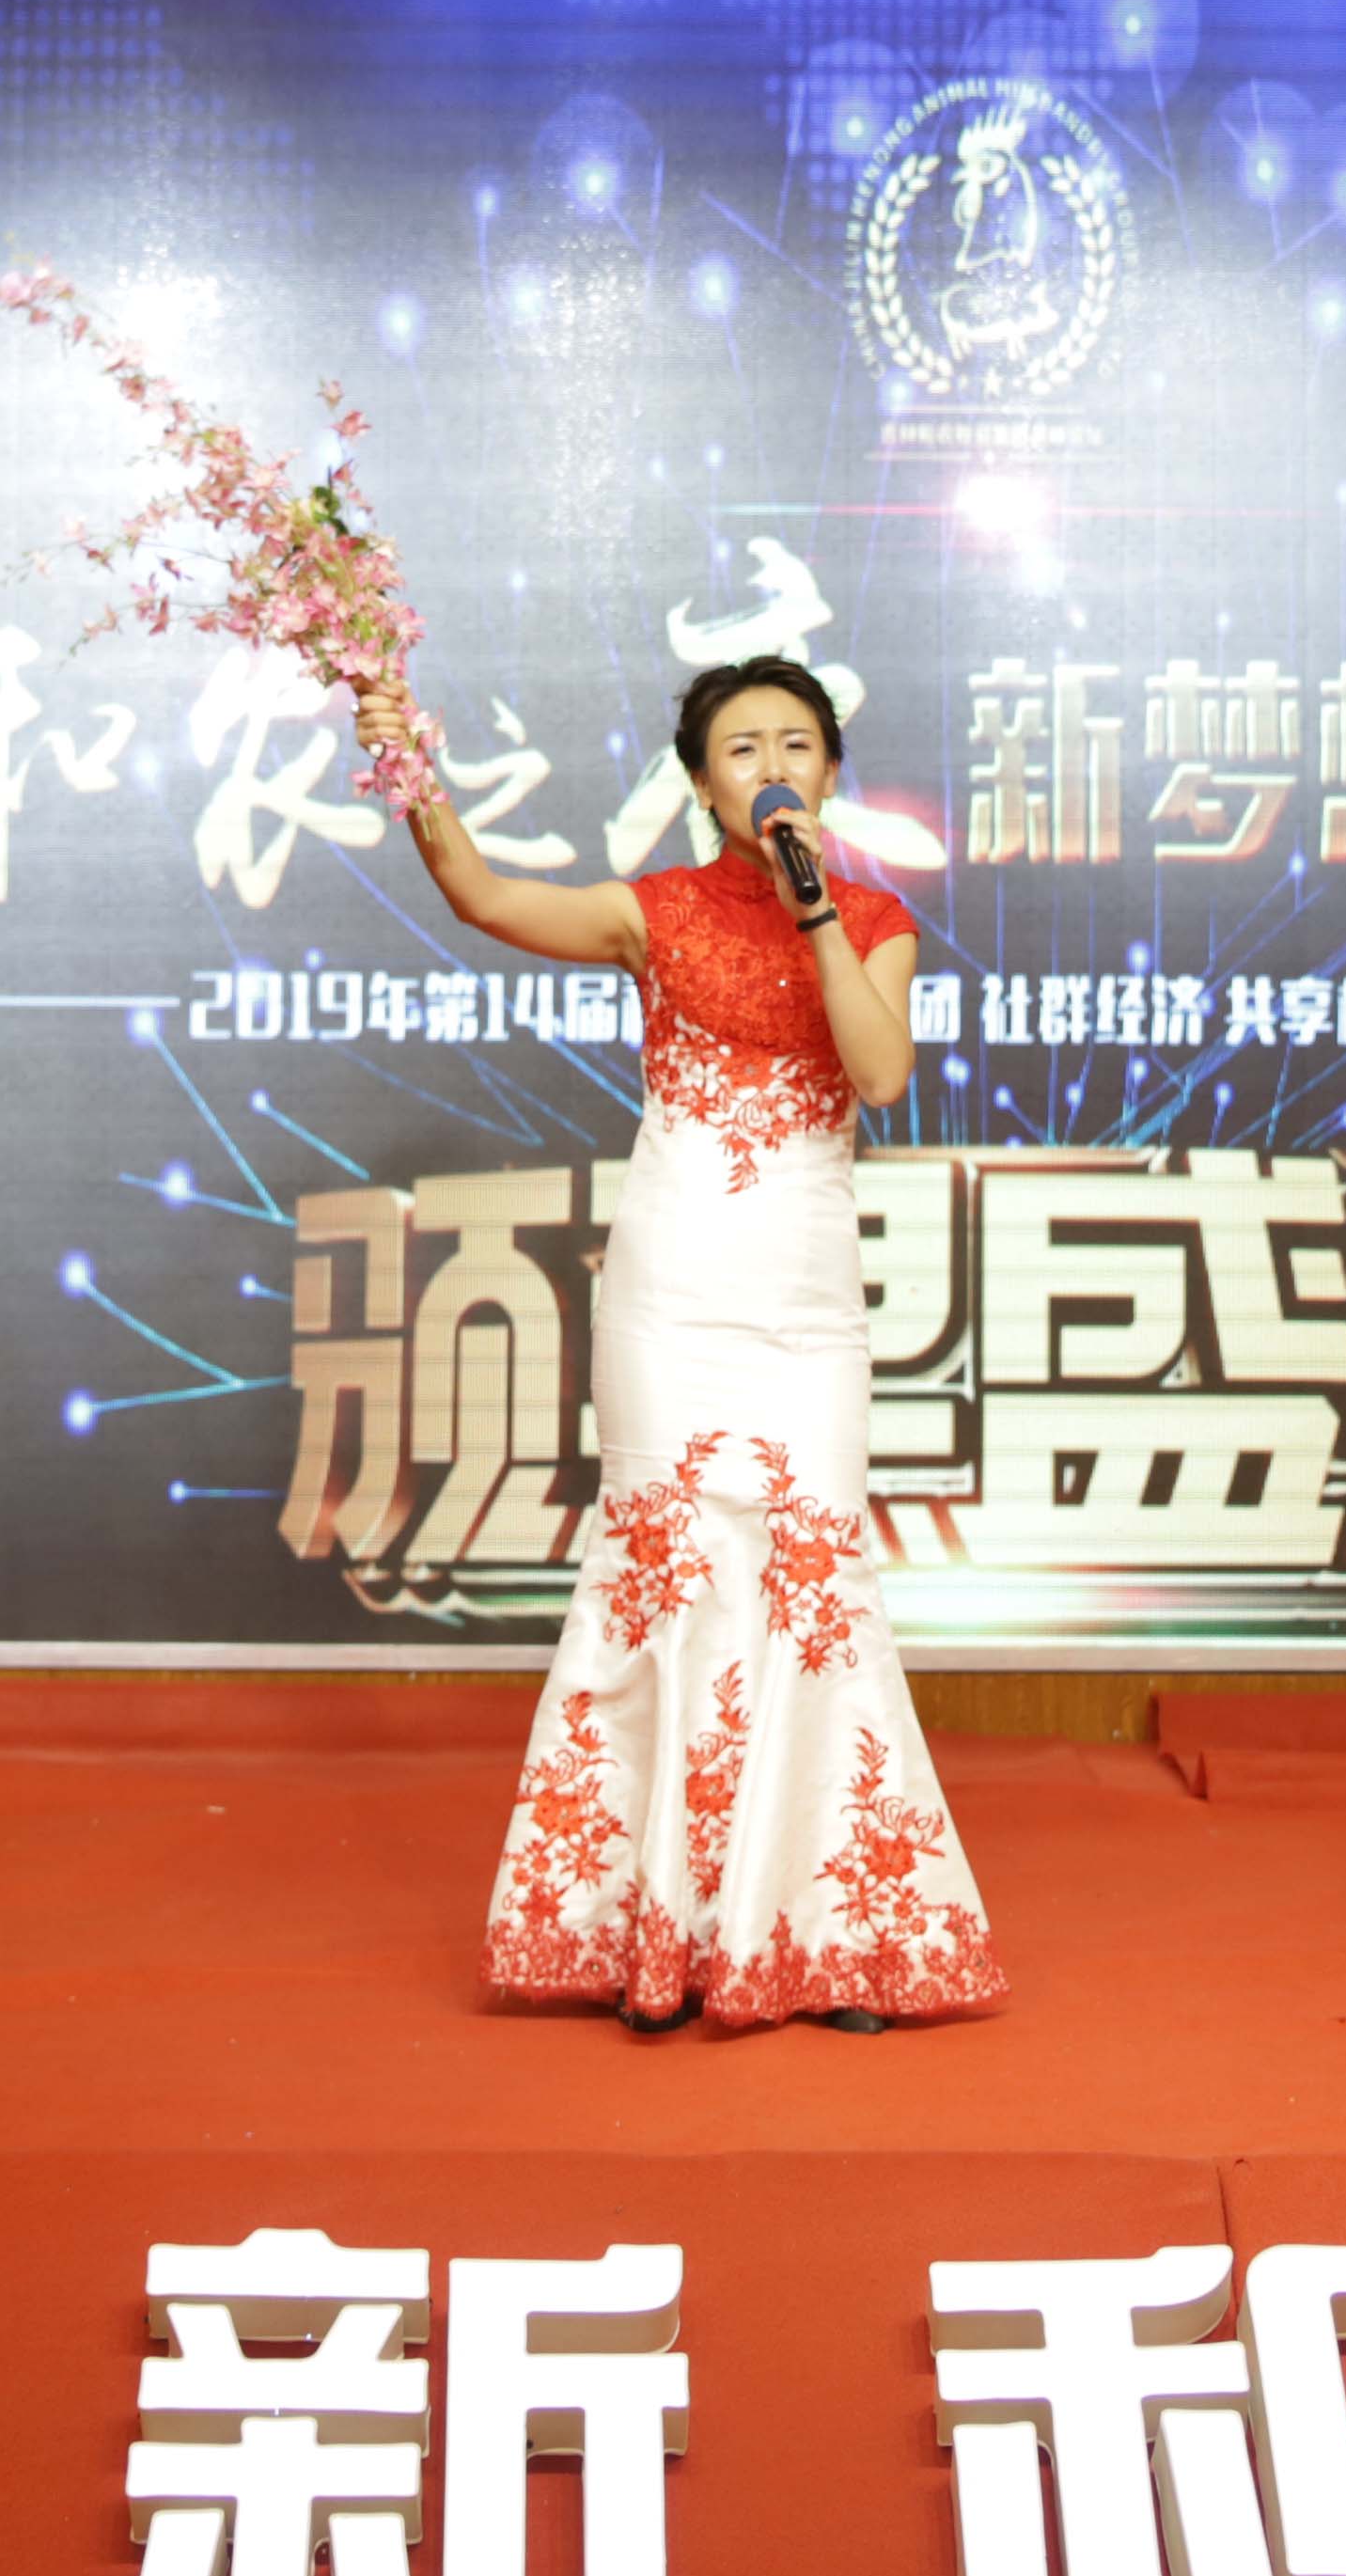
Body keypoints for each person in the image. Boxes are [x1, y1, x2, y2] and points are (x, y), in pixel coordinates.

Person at [352, 654, 1006, 2034]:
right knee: (668, 1578)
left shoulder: (874, 920)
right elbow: (480, 893)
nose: (772, 764)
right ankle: (653, 1932)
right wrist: (403, 751)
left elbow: (881, 1073)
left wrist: (815, 912)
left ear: (830, 772)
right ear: (702, 784)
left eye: (797, 743)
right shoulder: (648, 913)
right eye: (741, 747)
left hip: (805, 1304)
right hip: (671, 1289)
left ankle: (819, 1934)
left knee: (812, 1584)